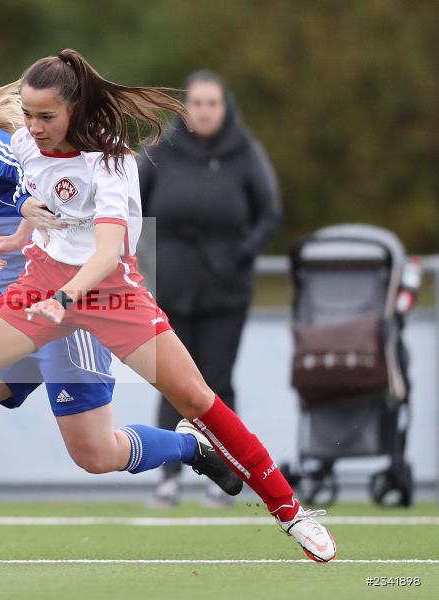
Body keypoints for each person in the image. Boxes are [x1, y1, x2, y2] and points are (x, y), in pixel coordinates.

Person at [0, 49, 337, 563]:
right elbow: (29, 197)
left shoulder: (108, 160)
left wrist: (64, 296)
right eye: (30, 114)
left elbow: (107, 251)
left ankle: (290, 511)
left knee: (190, 403)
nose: (33, 127)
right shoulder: (20, 143)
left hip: (110, 294)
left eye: (46, 117)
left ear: (75, 110)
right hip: (41, 290)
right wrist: (20, 235)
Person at [139, 70, 282, 508]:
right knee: (174, 384)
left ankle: (226, 474)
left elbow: (269, 213)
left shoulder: (244, 152)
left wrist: (240, 254)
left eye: (211, 103)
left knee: (216, 383)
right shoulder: (162, 149)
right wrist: (144, 260)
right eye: (196, 103)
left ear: (224, 107)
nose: (203, 111)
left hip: (226, 291)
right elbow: (128, 208)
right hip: (171, 288)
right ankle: (167, 477)